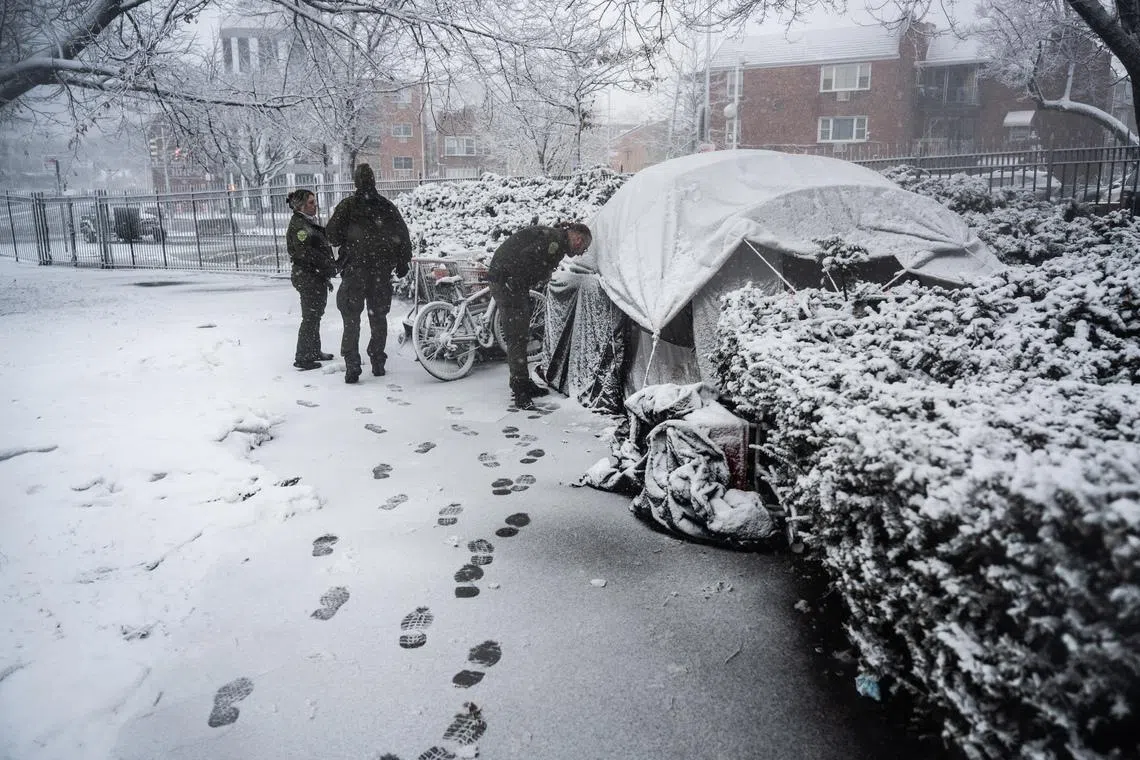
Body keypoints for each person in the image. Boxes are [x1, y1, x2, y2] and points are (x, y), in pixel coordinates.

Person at [486, 221, 592, 409]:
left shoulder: (556, 238)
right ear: (577, 239)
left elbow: (530, 259)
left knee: (521, 334)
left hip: (509, 281)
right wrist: (518, 283)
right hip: (507, 284)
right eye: (584, 247)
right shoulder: (554, 242)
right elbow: (526, 258)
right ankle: (520, 391)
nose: (582, 252)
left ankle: (522, 381)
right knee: (517, 337)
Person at [326, 163, 413, 384]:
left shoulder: (347, 207)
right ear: (374, 180)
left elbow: (332, 236)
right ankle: (377, 361)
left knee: (351, 319)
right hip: (380, 272)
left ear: (356, 182)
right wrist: (402, 263)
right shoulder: (386, 206)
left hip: (355, 270)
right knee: (378, 317)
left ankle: (352, 365)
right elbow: (403, 236)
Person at [285, 189, 338, 371]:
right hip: (308, 276)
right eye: (310, 202)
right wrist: (326, 266)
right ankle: (303, 356)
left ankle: (314, 351)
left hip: (315, 275)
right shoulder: (300, 226)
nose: (314, 205)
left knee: (315, 315)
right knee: (310, 317)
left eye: (314, 202)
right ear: (300, 205)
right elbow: (306, 253)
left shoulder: (306, 222)